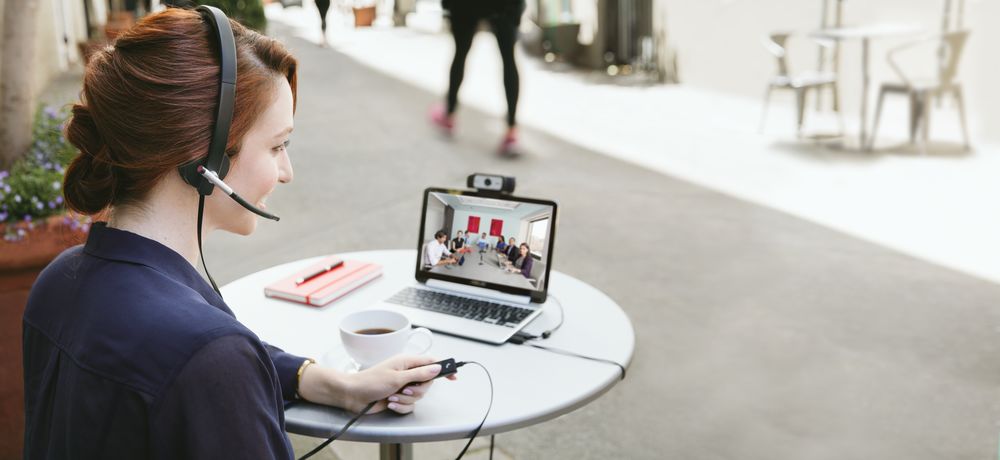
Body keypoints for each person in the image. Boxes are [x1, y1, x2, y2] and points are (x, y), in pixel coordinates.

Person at [22, 9, 450, 458]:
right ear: (204, 163)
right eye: (277, 146)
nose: (287, 172)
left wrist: (337, 386)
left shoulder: (58, 282)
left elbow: (195, 361)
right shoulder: (207, 354)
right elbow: (205, 360)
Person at [431, 0, 526, 155]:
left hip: (467, 5)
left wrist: (447, 5)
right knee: (509, 59)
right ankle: (511, 131)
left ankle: (448, 115)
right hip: (504, 5)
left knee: (460, 53)